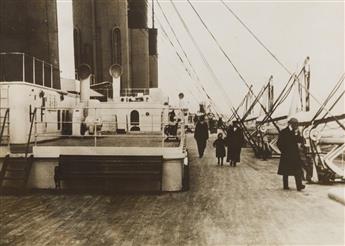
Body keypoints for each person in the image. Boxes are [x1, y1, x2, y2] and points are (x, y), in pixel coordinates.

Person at [277, 117, 306, 191]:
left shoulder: (295, 131)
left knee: (298, 170)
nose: (296, 126)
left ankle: (299, 186)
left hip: (294, 154)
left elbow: (299, 140)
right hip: (286, 154)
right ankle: (285, 185)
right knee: (285, 171)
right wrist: (283, 151)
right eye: (295, 124)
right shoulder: (283, 132)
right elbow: (279, 143)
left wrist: (300, 136)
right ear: (290, 124)